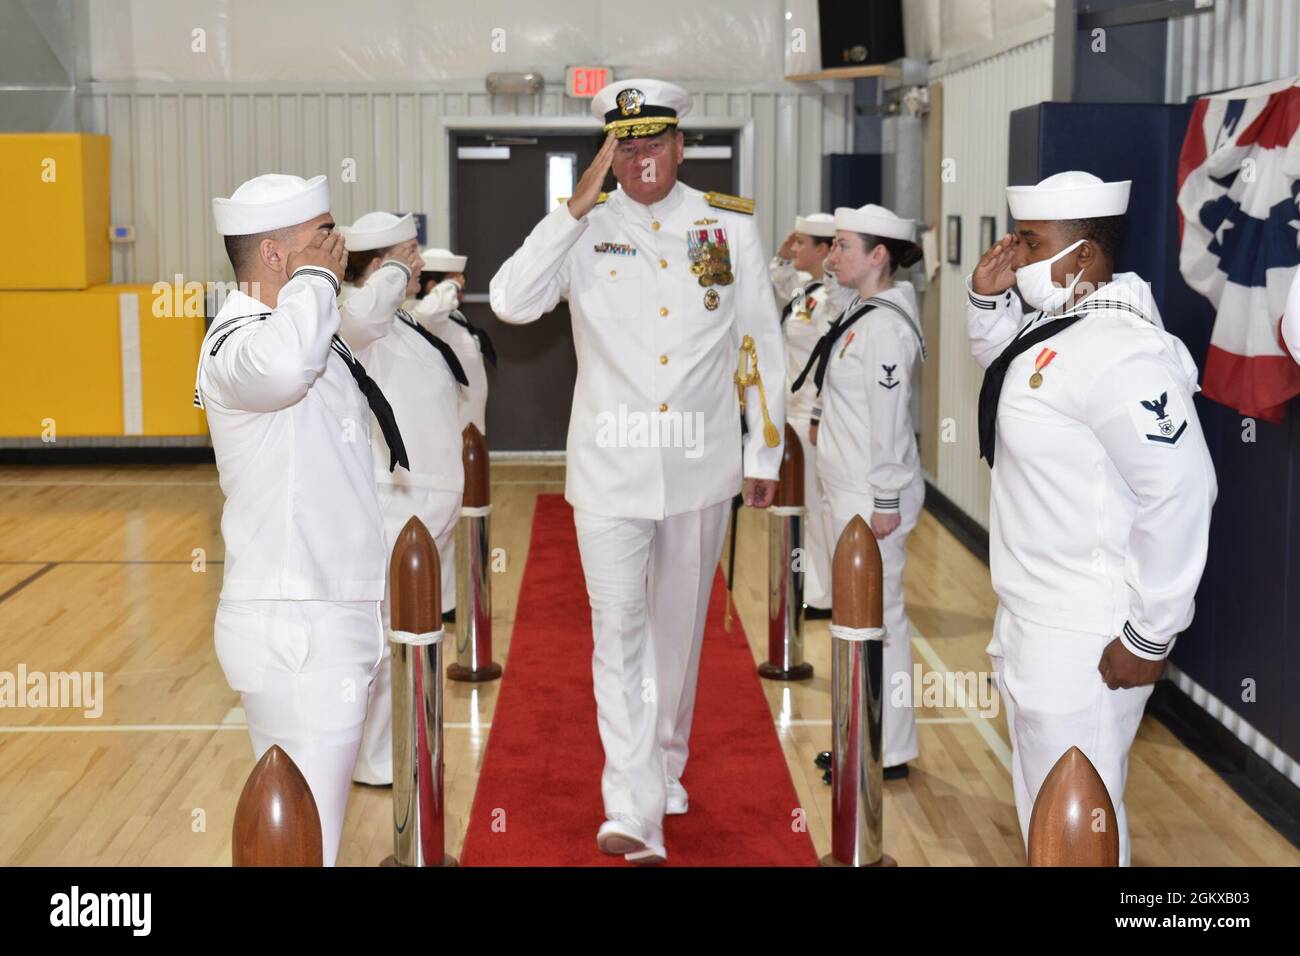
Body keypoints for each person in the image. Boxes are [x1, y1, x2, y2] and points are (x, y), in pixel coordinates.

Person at [489, 78, 784, 864]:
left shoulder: (726, 224)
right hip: (608, 471)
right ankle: (633, 805)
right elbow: (512, 302)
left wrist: (766, 450)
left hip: (700, 465)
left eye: (655, 142)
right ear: (608, 153)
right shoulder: (584, 228)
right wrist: (573, 206)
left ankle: (666, 766)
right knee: (617, 633)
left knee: (677, 638)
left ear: (681, 145)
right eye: (627, 146)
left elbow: (758, 341)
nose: (643, 158)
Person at [967, 170, 1217, 865]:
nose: (1015, 256)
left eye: (1031, 242)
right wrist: (986, 301)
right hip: (1033, 613)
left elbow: (1183, 490)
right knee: (1052, 824)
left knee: (1080, 828)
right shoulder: (1060, 328)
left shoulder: (1122, 351)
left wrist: (1151, 632)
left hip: (1085, 632)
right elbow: (1015, 380)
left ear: (1082, 256)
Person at [195, 174, 408, 865]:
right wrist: (315, 282)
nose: (338, 246)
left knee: (314, 835)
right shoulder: (238, 342)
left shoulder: (300, 327)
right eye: (323, 237)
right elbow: (286, 370)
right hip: (296, 628)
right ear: (277, 256)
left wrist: (323, 282)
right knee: (306, 845)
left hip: (329, 614)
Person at [336, 211, 469, 787]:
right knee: (386, 638)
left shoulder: (402, 320)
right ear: (376, 265)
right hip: (396, 507)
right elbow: (361, 314)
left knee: (412, 635)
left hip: (428, 505)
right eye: (406, 256)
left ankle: (400, 748)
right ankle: (373, 761)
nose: (417, 265)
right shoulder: (355, 314)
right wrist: (390, 271)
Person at [794, 203, 925, 778]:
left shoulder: (887, 327)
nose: (833, 255)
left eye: (845, 246)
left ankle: (886, 748)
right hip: (845, 489)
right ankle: (860, 738)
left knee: (879, 622)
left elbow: (891, 422)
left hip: (872, 500)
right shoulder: (860, 314)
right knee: (855, 623)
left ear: (879, 256)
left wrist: (888, 502)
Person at [770, 212, 852, 614]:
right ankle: (814, 584)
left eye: (803, 243)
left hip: (813, 417)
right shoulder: (808, 290)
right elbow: (780, 283)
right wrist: (784, 257)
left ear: (824, 249)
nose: (795, 247)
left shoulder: (834, 299)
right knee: (803, 506)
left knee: (818, 508)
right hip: (793, 413)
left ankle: (825, 595)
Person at [410, 247, 496, 436]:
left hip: (469, 421)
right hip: (450, 427)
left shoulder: (453, 316)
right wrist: (451, 285)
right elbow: (428, 313)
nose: (461, 285)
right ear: (433, 287)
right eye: (455, 280)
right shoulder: (429, 318)